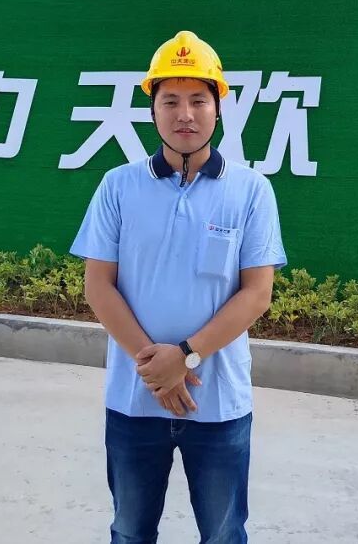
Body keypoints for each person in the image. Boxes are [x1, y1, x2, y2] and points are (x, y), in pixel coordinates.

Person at [71, 30, 286, 544]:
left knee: (223, 534)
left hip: (219, 403)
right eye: (170, 101)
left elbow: (257, 293)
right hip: (134, 398)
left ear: (218, 108)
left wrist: (185, 357)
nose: (184, 114)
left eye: (197, 100)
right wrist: (157, 369)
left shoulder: (251, 191)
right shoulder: (118, 186)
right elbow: (99, 286)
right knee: (129, 532)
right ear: (153, 110)